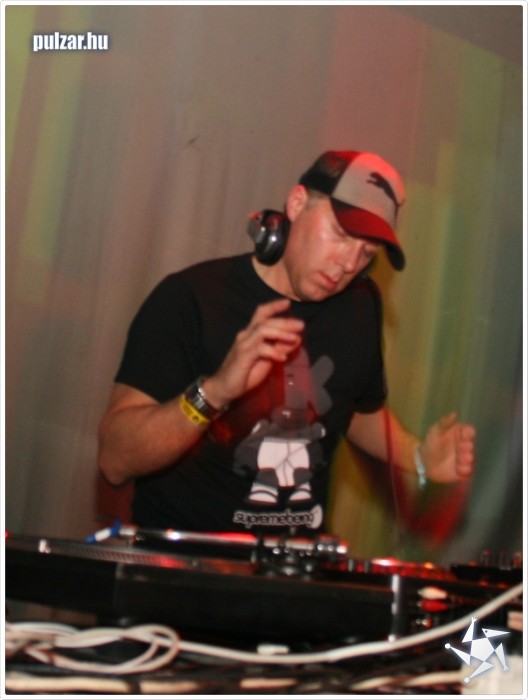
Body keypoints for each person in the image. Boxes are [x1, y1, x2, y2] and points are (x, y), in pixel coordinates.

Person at [98, 150, 475, 535]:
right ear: (297, 203)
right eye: (341, 235)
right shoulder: (190, 299)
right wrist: (215, 392)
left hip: (295, 561)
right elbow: (114, 460)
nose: (349, 264)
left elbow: (355, 409)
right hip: (186, 557)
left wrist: (418, 456)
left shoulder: (359, 306)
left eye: (367, 253)